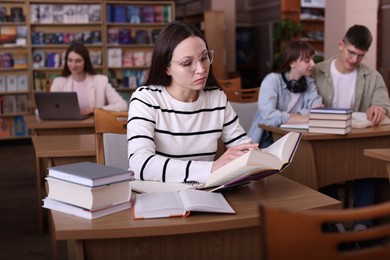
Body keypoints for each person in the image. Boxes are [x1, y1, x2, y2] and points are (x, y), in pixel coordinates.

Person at [127, 21, 258, 184]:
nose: (201, 69)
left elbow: (242, 145)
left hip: (206, 192)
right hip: (160, 196)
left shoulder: (216, 97)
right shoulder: (146, 99)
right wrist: (212, 167)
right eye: (187, 63)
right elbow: (140, 165)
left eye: (204, 58)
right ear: (166, 68)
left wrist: (255, 156)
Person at [312, 24, 390, 230]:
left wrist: (380, 109)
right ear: (341, 45)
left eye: (361, 56)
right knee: (322, 170)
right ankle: (334, 223)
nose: (354, 60)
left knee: (368, 167)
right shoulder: (317, 72)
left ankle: (362, 226)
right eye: (351, 52)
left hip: (356, 143)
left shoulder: (372, 76)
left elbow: (385, 104)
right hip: (325, 143)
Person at [247, 40, 323, 148]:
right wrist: (303, 117)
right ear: (292, 63)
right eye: (307, 60)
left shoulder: (309, 83)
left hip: (295, 137)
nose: (313, 64)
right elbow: (269, 116)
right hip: (268, 136)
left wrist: (295, 117)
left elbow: (317, 112)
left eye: (313, 59)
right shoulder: (272, 81)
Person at [50, 43, 127, 115]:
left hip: (94, 127)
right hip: (65, 127)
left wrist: (94, 110)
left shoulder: (101, 81)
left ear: (85, 62)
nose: (73, 65)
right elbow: (46, 109)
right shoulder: (58, 82)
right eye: (70, 60)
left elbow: (123, 105)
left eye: (78, 61)